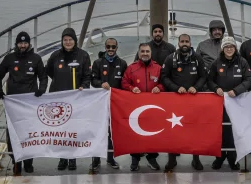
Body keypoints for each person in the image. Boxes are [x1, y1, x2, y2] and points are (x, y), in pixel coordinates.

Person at [0, 31, 45, 175]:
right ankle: (16, 161)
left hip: (30, 104)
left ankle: (29, 162)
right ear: (16, 44)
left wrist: (42, 89)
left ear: (29, 44)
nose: (23, 45)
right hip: (13, 104)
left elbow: (43, 76)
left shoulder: (36, 59)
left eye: (25, 43)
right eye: (20, 43)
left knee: (31, 132)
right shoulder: (9, 59)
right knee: (13, 133)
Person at [159, 33, 208, 171]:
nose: (184, 44)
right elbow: (164, 77)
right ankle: (172, 160)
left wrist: (196, 87)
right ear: (178, 43)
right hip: (175, 100)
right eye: (182, 41)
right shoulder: (170, 58)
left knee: (194, 129)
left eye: (187, 41)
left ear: (190, 43)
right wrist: (176, 88)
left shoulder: (197, 58)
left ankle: (196, 159)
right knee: (173, 131)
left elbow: (203, 76)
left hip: (193, 99)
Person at [45, 27, 91, 171]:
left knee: (73, 130)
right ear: (62, 41)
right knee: (61, 129)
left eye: (70, 39)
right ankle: (62, 158)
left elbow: (87, 75)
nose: (68, 42)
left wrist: (83, 86)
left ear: (75, 40)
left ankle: (72, 159)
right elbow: (49, 72)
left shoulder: (83, 55)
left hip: (76, 98)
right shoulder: (55, 56)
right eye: (65, 40)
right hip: (58, 98)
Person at [207, 35, 251, 170]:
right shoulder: (216, 63)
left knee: (233, 130)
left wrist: (237, 90)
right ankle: (219, 157)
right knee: (221, 129)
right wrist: (216, 88)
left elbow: (248, 79)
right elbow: (209, 80)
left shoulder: (242, 62)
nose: (229, 49)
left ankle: (233, 158)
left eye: (231, 46)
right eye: (226, 47)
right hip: (221, 102)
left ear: (235, 48)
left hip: (237, 102)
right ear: (222, 49)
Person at [122, 42, 164, 171]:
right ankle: (135, 159)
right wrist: (131, 88)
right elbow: (124, 82)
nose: (145, 54)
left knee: (153, 133)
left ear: (151, 53)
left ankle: (152, 157)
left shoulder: (158, 68)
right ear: (139, 53)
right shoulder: (131, 68)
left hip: (153, 108)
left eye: (147, 51)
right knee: (135, 134)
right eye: (142, 51)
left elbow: (164, 82)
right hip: (136, 108)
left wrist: (159, 87)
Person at [89, 37, 127, 170]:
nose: (110, 49)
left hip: (115, 103)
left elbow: (125, 84)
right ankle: (96, 159)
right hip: (100, 103)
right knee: (99, 131)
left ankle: (111, 158)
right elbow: (92, 80)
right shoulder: (97, 63)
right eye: (108, 47)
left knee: (112, 132)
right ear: (105, 47)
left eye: (113, 47)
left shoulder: (122, 64)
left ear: (117, 48)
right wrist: (100, 83)